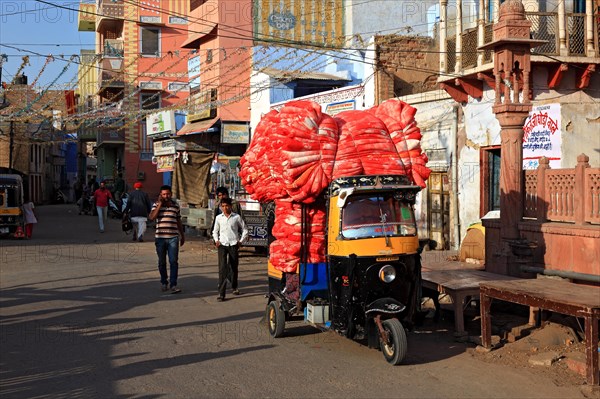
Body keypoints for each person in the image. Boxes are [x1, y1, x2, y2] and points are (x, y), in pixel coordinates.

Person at [148, 185, 185, 294]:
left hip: (173, 237)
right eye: (164, 194)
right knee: (162, 262)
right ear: (161, 195)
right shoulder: (156, 205)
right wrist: (160, 205)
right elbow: (152, 217)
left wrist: (182, 235)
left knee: (173, 261)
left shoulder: (175, 206)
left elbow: (178, 221)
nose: (166, 196)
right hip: (160, 238)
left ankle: (173, 284)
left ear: (171, 194)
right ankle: (164, 282)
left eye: (168, 194)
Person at [212, 197, 248, 302]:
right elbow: (215, 231)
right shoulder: (219, 218)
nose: (225, 208)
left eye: (226, 206)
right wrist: (216, 240)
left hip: (233, 244)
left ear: (230, 206)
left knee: (233, 266)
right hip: (222, 245)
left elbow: (244, 229)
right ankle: (221, 293)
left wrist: (241, 241)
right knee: (222, 268)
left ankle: (234, 286)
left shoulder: (236, 217)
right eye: (222, 206)